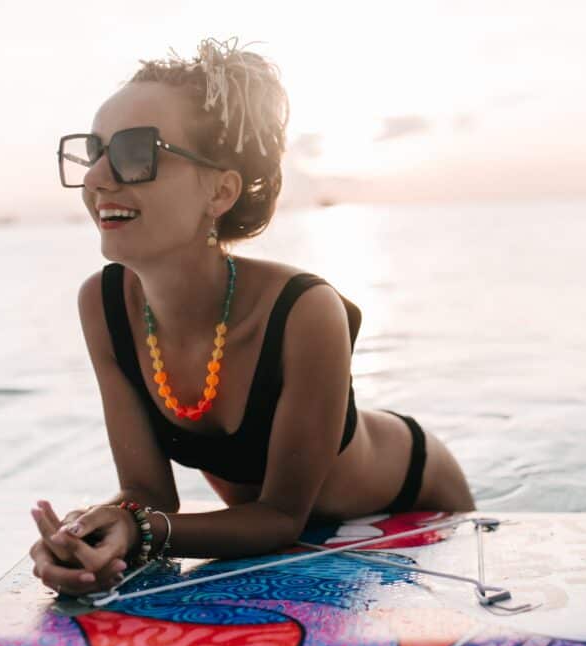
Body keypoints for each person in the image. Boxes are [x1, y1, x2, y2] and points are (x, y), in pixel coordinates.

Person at [30, 37, 475, 597]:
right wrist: (88, 534)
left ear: (219, 191)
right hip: (287, 530)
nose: (97, 177)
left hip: (416, 493)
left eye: (134, 153)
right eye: (93, 151)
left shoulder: (305, 310)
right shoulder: (102, 304)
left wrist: (141, 531)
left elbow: (282, 517)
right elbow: (147, 494)